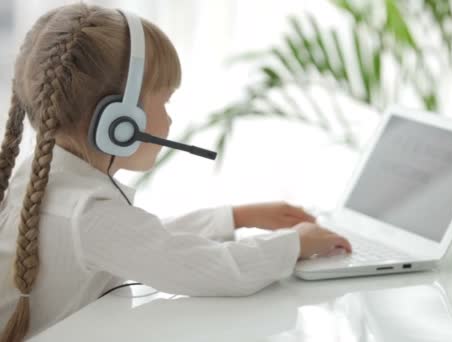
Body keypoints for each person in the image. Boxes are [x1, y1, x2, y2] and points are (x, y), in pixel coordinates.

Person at [0, 4, 351, 341]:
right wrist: (294, 244)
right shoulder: (89, 215)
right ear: (119, 122)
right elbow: (211, 269)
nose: (169, 119)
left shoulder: (43, 179)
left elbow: (141, 241)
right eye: (165, 101)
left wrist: (235, 217)